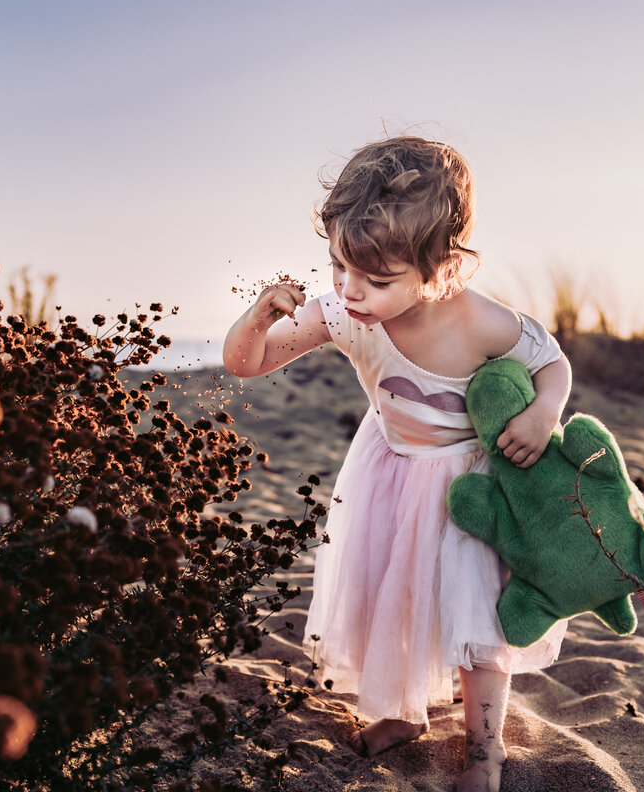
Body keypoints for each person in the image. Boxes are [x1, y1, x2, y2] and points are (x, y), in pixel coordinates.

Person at [222, 136, 572, 792]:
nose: (351, 292)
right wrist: (254, 317)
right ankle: (400, 714)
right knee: (393, 595)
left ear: (442, 267)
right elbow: (250, 362)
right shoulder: (344, 314)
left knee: (478, 620)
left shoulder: (481, 322)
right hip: (389, 473)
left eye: (376, 281)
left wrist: (543, 412)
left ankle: (483, 748)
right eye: (339, 268)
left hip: (471, 484)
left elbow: (552, 361)